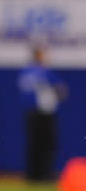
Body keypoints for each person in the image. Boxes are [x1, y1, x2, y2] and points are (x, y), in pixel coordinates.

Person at [17, 44, 68, 182]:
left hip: (30, 113)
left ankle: (32, 175)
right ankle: (44, 175)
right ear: (39, 55)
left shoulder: (26, 71)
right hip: (45, 113)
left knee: (33, 144)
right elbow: (61, 90)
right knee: (47, 145)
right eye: (45, 54)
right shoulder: (44, 71)